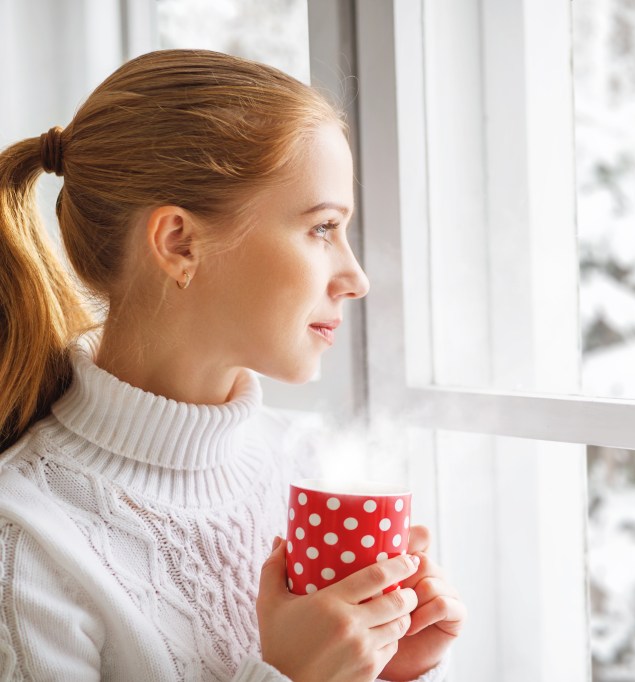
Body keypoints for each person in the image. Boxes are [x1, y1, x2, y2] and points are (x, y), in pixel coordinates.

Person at [0, 49, 464, 681]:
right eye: (322, 228)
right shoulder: (26, 542)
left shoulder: (303, 466)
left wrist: (386, 668)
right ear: (179, 243)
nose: (355, 278)